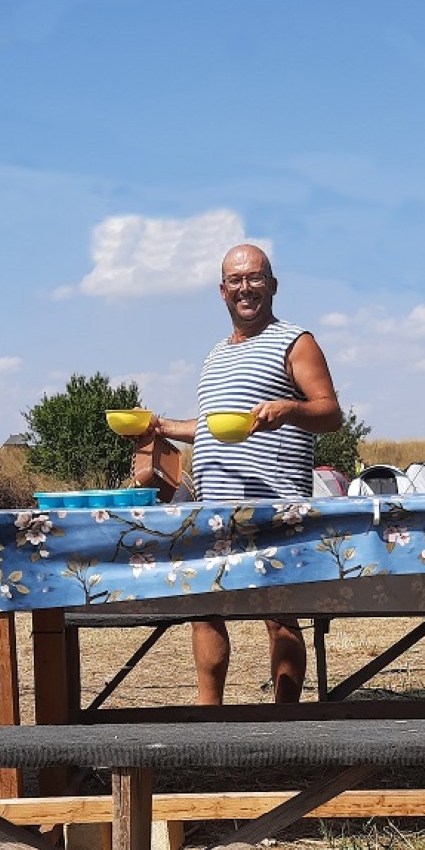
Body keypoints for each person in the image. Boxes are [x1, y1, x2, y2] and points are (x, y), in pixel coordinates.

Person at [145, 244, 342, 705]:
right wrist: (162, 426)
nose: (245, 287)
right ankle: (209, 716)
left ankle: (283, 722)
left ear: (272, 286)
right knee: (206, 610)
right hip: (215, 509)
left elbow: (330, 413)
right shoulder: (214, 356)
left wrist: (290, 410)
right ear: (222, 291)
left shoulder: (296, 341)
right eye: (235, 280)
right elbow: (214, 428)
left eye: (255, 278)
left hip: (276, 507)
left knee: (280, 616)